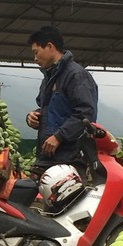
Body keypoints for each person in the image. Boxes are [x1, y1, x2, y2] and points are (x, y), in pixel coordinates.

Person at [25, 25, 98, 179]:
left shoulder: (76, 75)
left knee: (70, 201)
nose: (35, 58)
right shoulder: (49, 78)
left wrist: (59, 137)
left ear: (50, 46)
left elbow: (86, 113)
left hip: (70, 160)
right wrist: (33, 116)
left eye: (36, 52)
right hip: (49, 159)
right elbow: (51, 109)